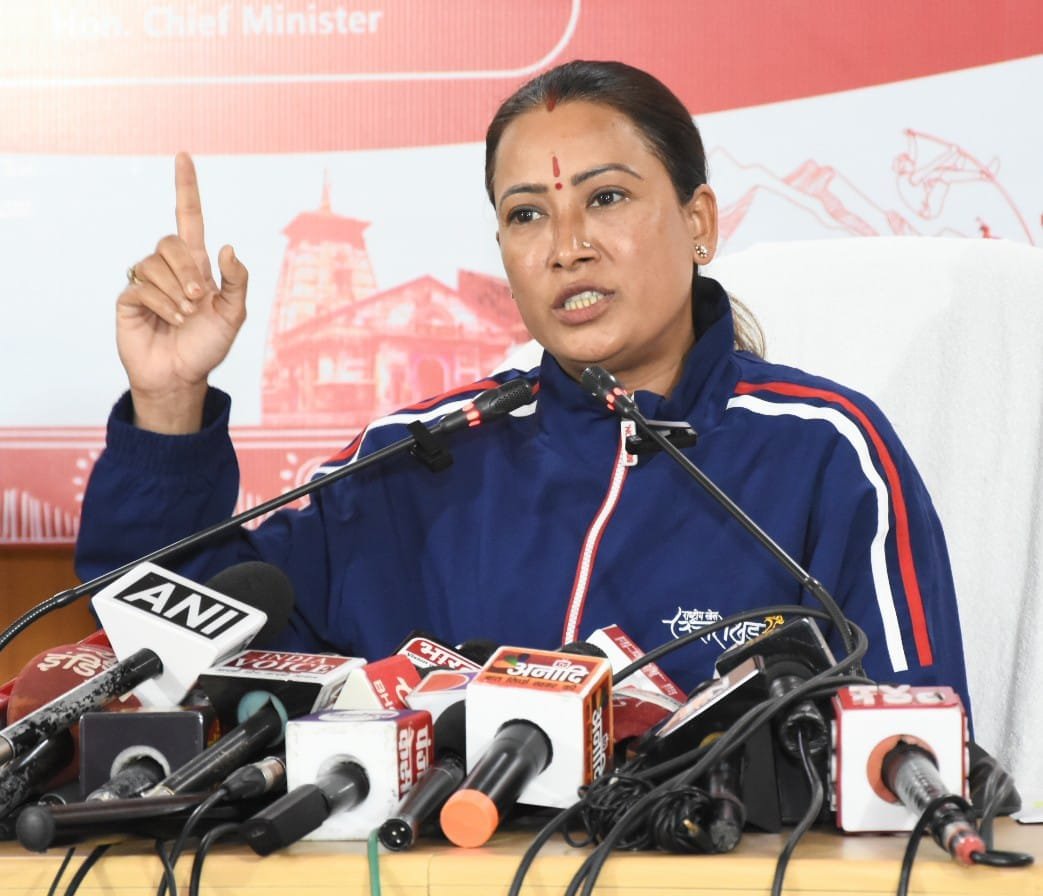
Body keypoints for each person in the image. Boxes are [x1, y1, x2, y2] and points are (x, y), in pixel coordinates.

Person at [75, 60, 971, 713]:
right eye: (527, 214)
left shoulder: (824, 453)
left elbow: (912, 760)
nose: (566, 246)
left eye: (606, 198)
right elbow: (167, 648)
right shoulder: (412, 462)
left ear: (698, 221)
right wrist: (169, 400)